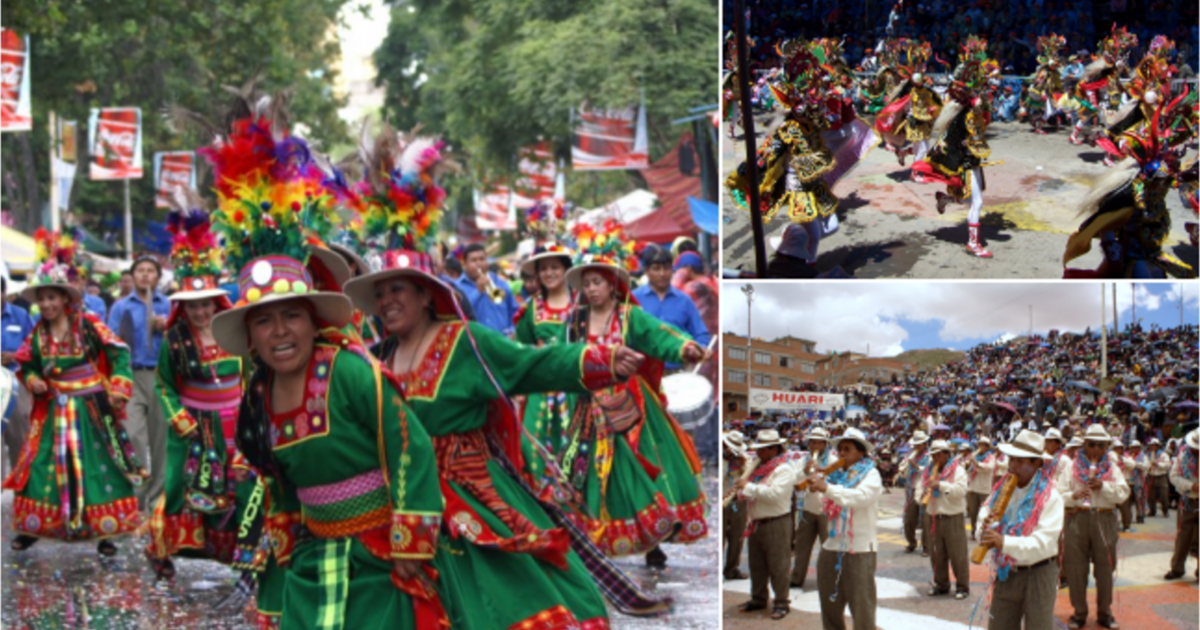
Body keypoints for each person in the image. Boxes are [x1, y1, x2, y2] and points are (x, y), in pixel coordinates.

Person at [340, 127, 666, 629]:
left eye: (398, 289)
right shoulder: (375, 355)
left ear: (428, 294)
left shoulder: (466, 342)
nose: (387, 302)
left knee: (498, 603)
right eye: (380, 294)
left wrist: (598, 360)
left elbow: (530, 365)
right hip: (400, 501)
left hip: (471, 494)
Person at [205, 111, 447, 630]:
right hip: (312, 562)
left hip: (380, 557)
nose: (280, 332)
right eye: (263, 322)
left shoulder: (350, 372)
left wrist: (411, 538)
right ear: (249, 337)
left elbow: (409, 446)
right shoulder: (260, 395)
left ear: (315, 320)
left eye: (291, 315)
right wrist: (289, 538)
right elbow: (280, 480)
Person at [557, 222, 710, 563]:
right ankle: (596, 538)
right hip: (588, 410)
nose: (592, 288)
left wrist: (684, 347)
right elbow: (564, 358)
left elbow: (660, 334)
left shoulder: (629, 316)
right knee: (589, 473)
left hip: (631, 408)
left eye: (598, 281)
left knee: (641, 467)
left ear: (612, 285)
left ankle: (652, 538)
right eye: (587, 283)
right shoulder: (575, 322)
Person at [4, 229, 146, 556]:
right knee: (41, 462)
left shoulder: (88, 323)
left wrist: (121, 387)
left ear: (66, 299)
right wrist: (34, 379)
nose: (47, 304)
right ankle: (34, 525)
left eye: (53, 297)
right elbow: (26, 364)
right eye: (42, 299)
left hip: (90, 407)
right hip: (53, 408)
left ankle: (106, 530)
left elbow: (119, 351)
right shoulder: (37, 333)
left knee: (100, 463)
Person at [145, 201, 247, 579]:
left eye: (205, 305)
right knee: (178, 491)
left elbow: (250, 377)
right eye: (193, 307)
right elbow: (164, 385)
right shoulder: (174, 339)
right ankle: (159, 548)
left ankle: (239, 553)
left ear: (216, 302)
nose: (201, 313)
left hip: (235, 426)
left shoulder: (236, 331)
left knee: (239, 488)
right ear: (182, 308)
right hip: (193, 428)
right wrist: (179, 418)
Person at [915, 36, 998, 258]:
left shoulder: (975, 110)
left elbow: (982, 124)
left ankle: (944, 199)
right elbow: (965, 137)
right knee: (977, 202)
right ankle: (973, 244)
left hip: (974, 159)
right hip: (967, 161)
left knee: (970, 198)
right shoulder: (964, 113)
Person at [977, 430, 1065, 630]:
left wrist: (1004, 542)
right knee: (1000, 625)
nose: (1012, 466)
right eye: (1011, 460)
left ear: (1037, 463)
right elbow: (985, 510)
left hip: (1039, 572)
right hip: (1007, 571)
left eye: (1020, 461)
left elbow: (1044, 543)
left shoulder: (1050, 496)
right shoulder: (1002, 487)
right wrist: (983, 527)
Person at [107, 255, 171, 509]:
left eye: (150, 271)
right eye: (140, 271)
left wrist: (165, 329)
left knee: (160, 439)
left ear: (158, 276)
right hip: (131, 375)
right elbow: (110, 341)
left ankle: (158, 499)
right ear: (133, 277)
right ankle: (137, 495)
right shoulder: (122, 306)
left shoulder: (167, 305)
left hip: (159, 375)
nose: (145, 275)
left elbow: (178, 341)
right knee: (132, 434)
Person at [804, 427, 882, 630]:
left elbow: (861, 498)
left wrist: (826, 488)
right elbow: (821, 506)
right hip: (831, 547)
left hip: (860, 549)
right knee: (830, 607)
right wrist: (812, 481)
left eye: (847, 449)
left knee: (862, 608)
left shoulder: (872, 474)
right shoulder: (834, 475)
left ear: (861, 452)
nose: (842, 453)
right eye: (840, 450)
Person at [512, 242, 575, 488]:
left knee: (576, 443)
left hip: (575, 385)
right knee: (532, 445)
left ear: (566, 269)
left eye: (555, 267)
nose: (549, 273)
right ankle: (547, 506)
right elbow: (520, 349)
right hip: (540, 388)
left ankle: (579, 505)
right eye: (543, 269)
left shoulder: (581, 301)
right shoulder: (531, 308)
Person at [1057, 424, 1130, 630]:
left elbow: (1123, 493)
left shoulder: (1113, 468)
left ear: (1106, 446)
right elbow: (1057, 495)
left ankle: (1104, 613)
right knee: (1075, 568)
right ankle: (1079, 613)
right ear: (1084, 445)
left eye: (1100, 445)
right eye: (1091, 444)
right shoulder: (1071, 467)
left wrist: (1103, 486)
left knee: (1106, 568)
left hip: (1104, 519)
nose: (1095, 449)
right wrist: (1073, 496)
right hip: (1078, 518)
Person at [732, 428, 796, 621]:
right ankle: (758, 598)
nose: (758, 453)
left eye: (762, 449)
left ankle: (782, 603)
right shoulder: (758, 469)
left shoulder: (784, 469)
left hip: (777, 522)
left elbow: (774, 495)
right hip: (757, 522)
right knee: (757, 564)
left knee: (778, 565)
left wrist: (748, 487)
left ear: (774, 449)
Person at [632, 245, 711, 371]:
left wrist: (701, 348)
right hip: (643, 374)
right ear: (646, 271)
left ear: (673, 270)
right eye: (656, 269)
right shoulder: (633, 299)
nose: (662, 274)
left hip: (678, 373)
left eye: (666, 268)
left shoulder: (684, 300)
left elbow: (701, 334)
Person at [920, 439, 970, 599]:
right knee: (936, 554)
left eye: (938, 455)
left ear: (946, 454)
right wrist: (921, 494)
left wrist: (940, 485)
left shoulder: (958, 470)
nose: (935, 458)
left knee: (958, 554)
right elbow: (919, 487)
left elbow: (961, 491)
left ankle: (962, 587)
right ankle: (941, 584)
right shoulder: (928, 470)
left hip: (952, 516)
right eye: (933, 455)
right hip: (933, 516)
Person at [791, 426, 831, 588]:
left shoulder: (832, 461)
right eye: (812, 442)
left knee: (828, 546)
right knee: (802, 546)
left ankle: (829, 579)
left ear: (824, 445)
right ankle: (796, 578)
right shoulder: (802, 461)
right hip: (807, 508)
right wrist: (805, 472)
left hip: (826, 509)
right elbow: (795, 482)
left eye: (818, 443)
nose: (815, 446)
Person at [1, 272, 34, 474]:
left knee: (19, 436)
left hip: (14, 382)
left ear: (3, 292)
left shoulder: (20, 315)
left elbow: (34, 346)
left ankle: (23, 487)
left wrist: (15, 356)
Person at [454, 243, 518, 336]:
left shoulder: (500, 283)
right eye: (473, 260)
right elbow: (459, 313)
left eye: (482, 259)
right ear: (465, 264)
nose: (479, 263)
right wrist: (478, 292)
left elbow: (515, 312)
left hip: (504, 341)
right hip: (476, 345)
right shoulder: (457, 287)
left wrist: (512, 331)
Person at [1164, 429, 1198, 580]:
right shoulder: (1183, 456)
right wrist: (1191, 486)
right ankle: (1177, 568)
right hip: (1188, 501)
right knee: (1182, 535)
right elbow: (1173, 476)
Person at [898, 430, 931, 553]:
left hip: (924, 490)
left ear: (925, 444)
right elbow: (905, 473)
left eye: (919, 444)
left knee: (925, 521)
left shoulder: (930, 456)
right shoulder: (909, 455)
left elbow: (929, 471)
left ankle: (927, 547)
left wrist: (916, 466)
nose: (916, 447)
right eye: (915, 445)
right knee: (909, 519)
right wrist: (904, 469)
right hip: (911, 490)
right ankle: (911, 542)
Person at [723, 430, 749, 580]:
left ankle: (732, 569)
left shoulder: (744, 459)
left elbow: (750, 476)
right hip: (721, 499)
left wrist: (742, 465)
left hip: (738, 501)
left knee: (737, 537)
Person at [967, 436, 998, 540]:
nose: (980, 446)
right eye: (979, 444)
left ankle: (984, 532)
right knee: (973, 512)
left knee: (984, 513)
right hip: (973, 488)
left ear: (987, 447)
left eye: (983, 445)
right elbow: (968, 470)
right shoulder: (975, 457)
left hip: (984, 489)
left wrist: (975, 462)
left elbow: (988, 468)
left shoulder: (991, 458)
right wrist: (968, 463)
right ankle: (973, 532)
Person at [1147, 437, 1172, 517]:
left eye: (1153, 445)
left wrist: (1158, 464)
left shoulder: (1163, 454)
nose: (1152, 447)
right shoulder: (1148, 454)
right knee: (1151, 496)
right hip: (1151, 475)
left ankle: (1165, 511)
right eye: (1151, 445)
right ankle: (1152, 510)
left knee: (1163, 495)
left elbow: (1168, 464)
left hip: (1161, 476)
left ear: (1157, 446)